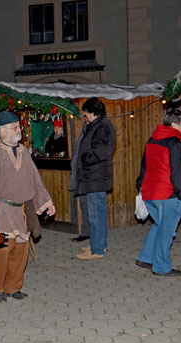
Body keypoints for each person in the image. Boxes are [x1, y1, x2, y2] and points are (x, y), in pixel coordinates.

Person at [0, 111, 55, 302]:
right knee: (3, 250)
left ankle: (14, 286)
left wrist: (47, 202)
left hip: (23, 210)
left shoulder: (24, 152)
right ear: (2, 131)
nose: (19, 130)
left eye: (18, 126)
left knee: (21, 249)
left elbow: (36, 180)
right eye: (15, 127)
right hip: (2, 209)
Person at [135, 109, 181, 277]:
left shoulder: (151, 140)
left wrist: (140, 186)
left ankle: (146, 257)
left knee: (159, 225)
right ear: (174, 124)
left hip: (150, 193)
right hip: (168, 194)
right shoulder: (175, 143)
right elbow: (179, 172)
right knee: (166, 231)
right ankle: (161, 267)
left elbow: (144, 166)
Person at [73, 97, 116, 260]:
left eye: (86, 112)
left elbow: (101, 152)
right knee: (98, 214)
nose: (85, 115)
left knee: (95, 215)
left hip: (96, 177)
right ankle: (99, 245)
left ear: (94, 112)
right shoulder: (98, 126)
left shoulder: (102, 127)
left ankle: (97, 250)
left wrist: (84, 158)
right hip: (94, 177)